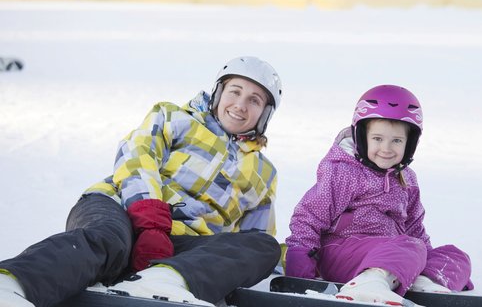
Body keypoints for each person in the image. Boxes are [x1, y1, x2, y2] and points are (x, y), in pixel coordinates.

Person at [0, 56, 283, 307]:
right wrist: (150, 219)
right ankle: (13, 285)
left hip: (179, 249)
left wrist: (289, 271)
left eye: (254, 100)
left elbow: (250, 239)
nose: (240, 105)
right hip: (118, 208)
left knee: (263, 247)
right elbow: (136, 155)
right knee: (109, 240)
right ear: (219, 93)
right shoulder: (174, 117)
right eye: (235, 92)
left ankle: (162, 281)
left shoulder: (263, 173)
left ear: (265, 114)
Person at [285, 85, 474, 306]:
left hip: (393, 252)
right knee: (411, 247)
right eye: (377, 138)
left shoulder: (408, 179)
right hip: (342, 253)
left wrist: (425, 261)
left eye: (397, 140)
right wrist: (299, 269)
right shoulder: (344, 172)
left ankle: (421, 281)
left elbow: (415, 228)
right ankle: (368, 284)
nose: (386, 148)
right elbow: (308, 218)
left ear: (410, 144)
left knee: (456, 256)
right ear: (362, 137)